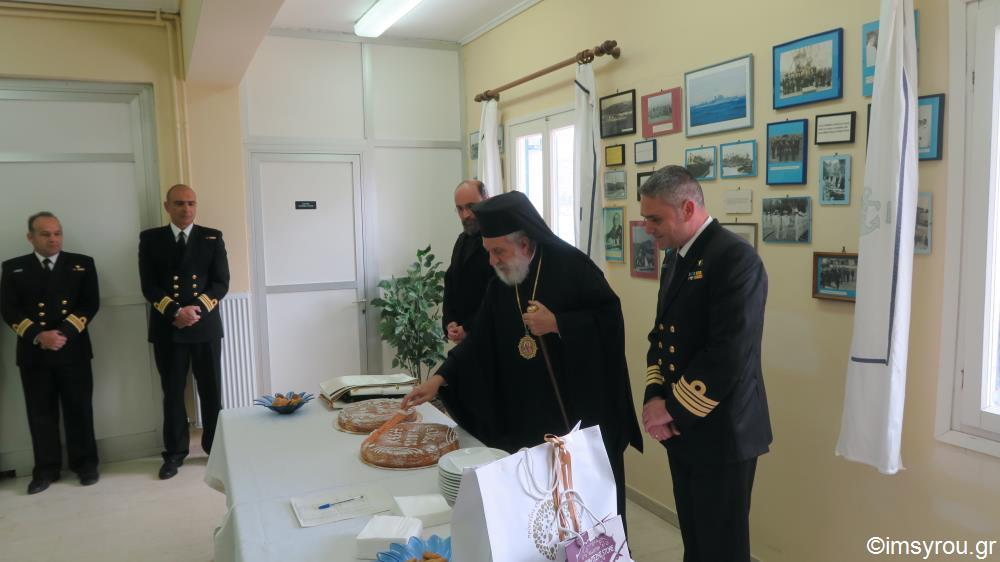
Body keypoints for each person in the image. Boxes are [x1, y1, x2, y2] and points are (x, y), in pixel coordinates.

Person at [402, 190, 642, 522]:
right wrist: (440, 378)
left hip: (577, 418)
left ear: (525, 244)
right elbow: (480, 339)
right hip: (526, 418)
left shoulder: (572, 266)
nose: (492, 261)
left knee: (587, 515)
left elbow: (610, 321)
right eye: (488, 252)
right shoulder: (502, 282)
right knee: (538, 517)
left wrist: (558, 324)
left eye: (498, 251)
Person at [638, 165, 772, 562]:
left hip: (721, 431)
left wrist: (671, 409)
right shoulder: (677, 258)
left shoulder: (735, 258)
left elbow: (728, 354)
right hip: (683, 429)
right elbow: (661, 337)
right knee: (695, 541)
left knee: (722, 547)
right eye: (645, 218)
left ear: (687, 208)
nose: (647, 228)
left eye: (655, 218)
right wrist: (654, 395)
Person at [1, 212, 100, 494]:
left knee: (79, 410)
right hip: (35, 353)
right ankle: (45, 469)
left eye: (57, 233)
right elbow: (9, 310)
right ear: (30, 237)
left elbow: (90, 303)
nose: (53, 239)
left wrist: (63, 333)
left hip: (73, 350)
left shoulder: (82, 264)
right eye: (45, 234)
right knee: (40, 413)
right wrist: (38, 335)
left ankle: (85, 465)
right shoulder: (14, 268)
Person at [139, 184, 229, 480]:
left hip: (205, 326)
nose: (186, 209)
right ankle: (175, 453)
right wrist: (176, 311)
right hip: (169, 328)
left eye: (191, 203)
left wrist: (194, 311)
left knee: (212, 392)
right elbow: (149, 285)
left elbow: (220, 283)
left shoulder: (212, 237)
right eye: (179, 203)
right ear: (167, 206)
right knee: (173, 393)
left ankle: (216, 450)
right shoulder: (151, 239)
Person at [441, 180, 494, 345]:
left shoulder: (498, 242)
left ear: (486, 200)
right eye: (460, 209)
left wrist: (468, 327)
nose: (465, 215)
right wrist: (450, 322)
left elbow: (496, 295)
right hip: (465, 338)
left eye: (471, 206)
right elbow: (450, 281)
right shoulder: (461, 240)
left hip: (491, 336)